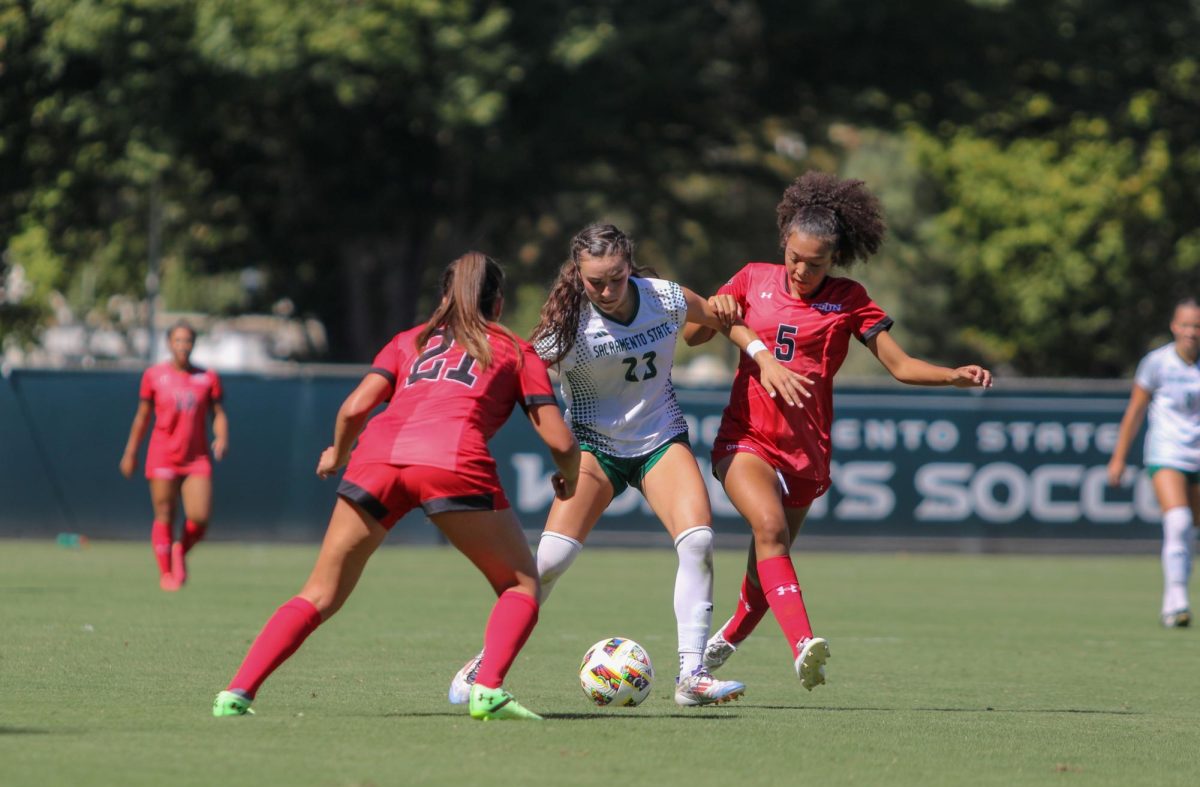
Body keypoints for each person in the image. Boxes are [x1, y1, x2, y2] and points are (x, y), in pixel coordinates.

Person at [212, 252, 580, 721]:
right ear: (500, 303)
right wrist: (569, 474)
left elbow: (352, 410)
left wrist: (338, 454)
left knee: (319, 594)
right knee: (521, 584)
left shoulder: (409, 340)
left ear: (444, 297)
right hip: (452, 459)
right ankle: (486, 689)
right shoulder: (514, 349)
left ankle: (236, 693)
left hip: (376, 458)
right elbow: (559, 439)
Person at [449, 223, 805, 708]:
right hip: (595, 451)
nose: (608, 290)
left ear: (629, 265)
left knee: (698, 541)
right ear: (578, 274)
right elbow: (524, 378)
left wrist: (761, 355)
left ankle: (692, 676)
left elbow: (722, 321)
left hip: (660, 439)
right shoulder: (565, 326)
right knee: (548, 564)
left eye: (616, 277)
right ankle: (481, 667)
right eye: (595, 281)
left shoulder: (664, 298)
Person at [683, 171, 992, 690]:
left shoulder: (849, 299)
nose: (802, 269)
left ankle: (728, 638)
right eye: (795, 257)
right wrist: (719, 310)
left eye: (816, 262)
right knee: (770, 531)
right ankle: (804, 644)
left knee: (770, 558)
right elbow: (693, 336)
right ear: (784, 242)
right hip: (745, 439)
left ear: (836, 258)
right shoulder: (751, 277)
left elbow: (900, 365)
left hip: (806, 451)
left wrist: (951, 376)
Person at [1107, 298, 1200, 628]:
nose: (1191, 332)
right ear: (1175, 326)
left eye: (1197, 326)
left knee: (1189, 532)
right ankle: (1175, 602)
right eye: (1186, 325)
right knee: (1178, 521)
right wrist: (1118, 457)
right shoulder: (1156, 363)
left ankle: (1177, 595)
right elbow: (1134, 412)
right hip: (1167, 453)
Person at [120, 322, 228, 591]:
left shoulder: (208, 377)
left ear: (194, 344)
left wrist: (222, 437)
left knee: (200, 518)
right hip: (163, 455)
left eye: (188, 340)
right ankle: (166, 572)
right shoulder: (154, 376)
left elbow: (219, 414)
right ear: (169, 343)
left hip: (196, 458)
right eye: (178, 340)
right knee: (165, 512)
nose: (183, 346)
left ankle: (180, 549)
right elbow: (142, 417)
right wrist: (131, 452)